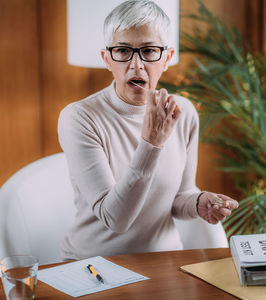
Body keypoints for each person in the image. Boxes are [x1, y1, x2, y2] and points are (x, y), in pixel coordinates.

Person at [58, 0, 239, 260]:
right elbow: (115, 219)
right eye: (122, 50)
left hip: (163, 262)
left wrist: (198, 203)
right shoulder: (79, 118)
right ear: (107, 59)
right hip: (95, 265)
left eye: (149, 50)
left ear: (166, 58)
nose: (136, 64)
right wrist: (151, 143)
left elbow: (180, 196)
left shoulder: (183, 112)